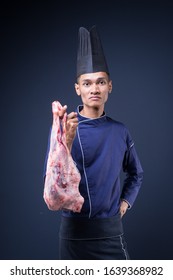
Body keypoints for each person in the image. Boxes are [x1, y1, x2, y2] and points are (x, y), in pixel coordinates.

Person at [43, 26, 143, 260]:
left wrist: (125, 202)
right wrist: (65, 142)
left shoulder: (120, 131)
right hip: (73, 237)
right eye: (87, 83)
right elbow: (52, 192)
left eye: (100, 82)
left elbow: (136, 173)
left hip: (110, 234)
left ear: (109, 86)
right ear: (78, 89)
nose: (94, 89)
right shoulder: (65, 127)